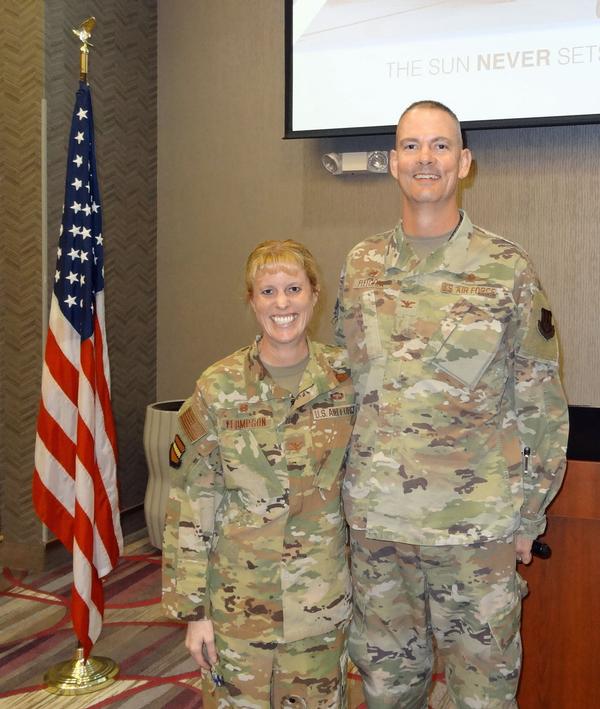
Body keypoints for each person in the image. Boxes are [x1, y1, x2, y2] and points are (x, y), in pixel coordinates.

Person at [334, 100, 569, 708]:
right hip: (379, 527)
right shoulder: (361, 266)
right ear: (392, 162)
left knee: (482, 696)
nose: (426, 159)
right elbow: (343, 389)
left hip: (477, 530)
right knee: (387, 691)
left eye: (441, 146)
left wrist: (529, 517)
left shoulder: (505, 268)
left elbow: (540, 402)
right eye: (412, 146)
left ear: (464, 162)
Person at [162, 240, 356, 708]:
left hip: (321, 604)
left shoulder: (347, 379)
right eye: (267, 292)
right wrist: (195, 613)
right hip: (238, 608)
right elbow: (192, 502)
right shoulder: (218, 387)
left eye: (293, 288)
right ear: (251, 301)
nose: (282, 303)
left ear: (314, 294)